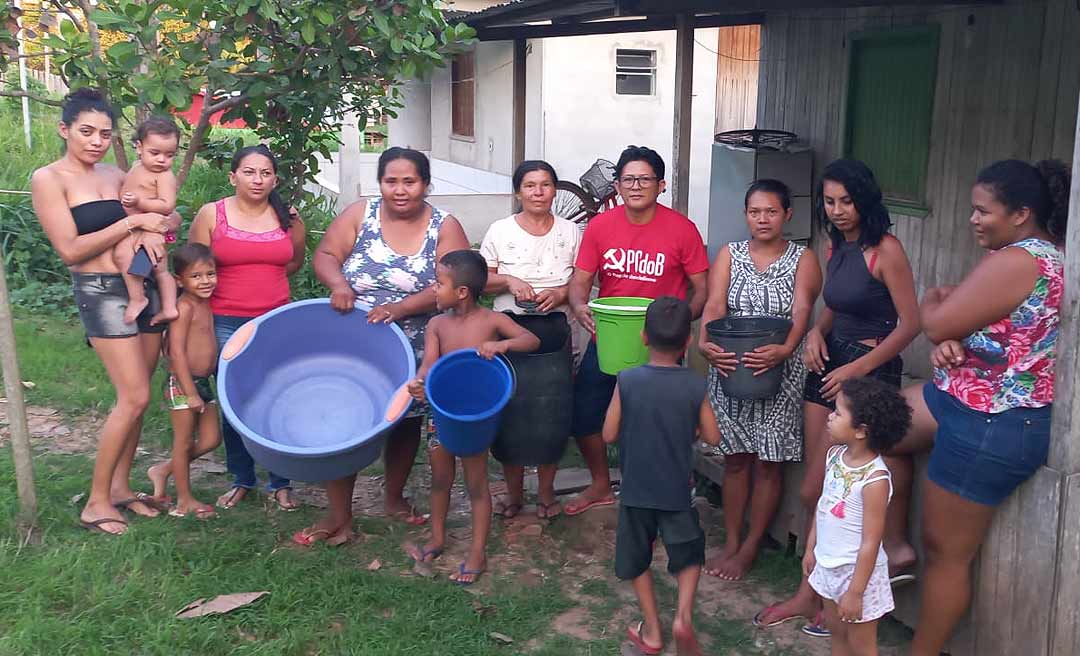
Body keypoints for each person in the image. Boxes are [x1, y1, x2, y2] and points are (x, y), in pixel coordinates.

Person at [887, 159, 1068, 655]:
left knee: (947, 554)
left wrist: (935, 310)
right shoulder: (1019, 255)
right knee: (872, 426)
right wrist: (953, 336)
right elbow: (986, 328)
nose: (973, 219)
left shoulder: (1021, 261)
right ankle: (896, 548)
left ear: (1021, 214)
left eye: (982, 210)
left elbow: (940, 319)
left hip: (996, 422)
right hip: (960, 397)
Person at [756, 160, 920, 633]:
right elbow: (836, 303)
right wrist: (813, 333)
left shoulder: (885, 250)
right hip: (828, 362)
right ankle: (813, 595)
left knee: (832, 488)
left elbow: (911, 323)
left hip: (867, 373)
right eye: (829, 201)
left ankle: (834, 598)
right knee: (819, 488)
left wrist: (856, 369)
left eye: (846, 201)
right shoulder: (837, 244)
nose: (838, 210)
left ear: (864, 199)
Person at [298, 147, 470, 546]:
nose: (400, 190)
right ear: (380, 183)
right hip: (356, 341)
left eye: (409, 181)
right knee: (348, 419)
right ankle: (339, 513)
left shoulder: (445, 225)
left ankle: (393, 496)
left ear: (425, 184)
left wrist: (401, 307)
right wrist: (339, 284)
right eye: (391, 181)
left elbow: (455, 283)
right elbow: (325, 254)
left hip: (417, 343)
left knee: (406, 420)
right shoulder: (361, 214)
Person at [32, 88, 179, 534]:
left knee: (142, 398)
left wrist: (163, 221)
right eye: (86, 131)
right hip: (99, 288)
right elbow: (69, 249)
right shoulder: (50, 178)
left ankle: (119, 488)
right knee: (132, 396)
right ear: (65, 129)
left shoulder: (118, 173)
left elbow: (164, 216)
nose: (96, 140)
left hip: (143, 282)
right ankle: (96, 501)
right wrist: (132, 221)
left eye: (104, 133)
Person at [567, 145, 709, 517]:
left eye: (645, 179)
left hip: (661, 344)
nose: (635, 186)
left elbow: (702, 288)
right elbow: (580, 282)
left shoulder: (682, 229)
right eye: (628, 179)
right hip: (610, 339)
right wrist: (581, 307)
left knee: (654, 423)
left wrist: (679, 324)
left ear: (661, 185)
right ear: (616, 185)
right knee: (584, 412)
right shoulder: (600, 227)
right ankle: (601, 483)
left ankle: (651, 493)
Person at [699, 179, 822, 581]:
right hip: (732, 369)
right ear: (745, 215)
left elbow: (803, 309)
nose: (763, 219)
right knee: (736, 459)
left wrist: (786, 349)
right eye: (755, 212)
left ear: (787, 215)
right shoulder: (729, 255)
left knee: (770, 463)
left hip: (780, 371)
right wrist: (705, 340)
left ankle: (751, 546)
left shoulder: (803, 258)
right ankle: (732, 540)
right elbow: (715, 304)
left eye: (771, 211)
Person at [403, 250, 540, 584]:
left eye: (439, 283)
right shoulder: (437, 324)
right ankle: (437, 536)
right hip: (441, 411)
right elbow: (429, 364)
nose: (433, 289)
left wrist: (502, 347)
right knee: (440, 478)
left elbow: (531, 339)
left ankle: (477, 551)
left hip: (475, 415)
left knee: (476, 484)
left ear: (462, 292)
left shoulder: (492, 321)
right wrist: (421, 382)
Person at [186, 144, 306, 512]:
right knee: (234, 400)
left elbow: (295, 263)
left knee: (277, 396)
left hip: (275, 321)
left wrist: (261, 284)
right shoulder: (212, 214)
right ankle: (242, 478)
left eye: (266, 173)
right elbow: (193, 268)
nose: (258, 179)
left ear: (275, 178)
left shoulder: (289, 217)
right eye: (250, 172)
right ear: (233, 176)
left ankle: (281, 481)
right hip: (224, 319)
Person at [602, 297, 721, 656]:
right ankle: (683, 617)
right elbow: (713, 437)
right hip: (677, 492)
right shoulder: (694, 385)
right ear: (687, 342)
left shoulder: (628, 380)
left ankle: (653, 633)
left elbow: (608, 434)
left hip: (637, 492)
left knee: (636, 559)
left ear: (642, 337)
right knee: (688, 555)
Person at [479, 159, 581, 520]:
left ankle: (547, 495)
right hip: (509, 329)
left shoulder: (571, 232)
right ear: (518, 191)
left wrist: (561, 291)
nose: (538, 192)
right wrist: (508, 282)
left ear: (555, 189)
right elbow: (481, 280)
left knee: (552, 411)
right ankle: (514, 494)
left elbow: (582, 282)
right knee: (512, 411)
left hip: (556, 332)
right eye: (530, 185)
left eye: (546, 185)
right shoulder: (500, 231)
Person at [803, 378, 912, 656]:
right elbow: (823, 505)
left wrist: (856, 591)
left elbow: (871, 542)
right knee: (837, 636)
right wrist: (810, 548)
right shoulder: (834, 456)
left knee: (862, 647)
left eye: (838, 413)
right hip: (828, 566)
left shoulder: (875, 480)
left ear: (861, 431)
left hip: (857, 576)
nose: (830, 416)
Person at [145, 244, 221, 520]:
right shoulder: (184, 307)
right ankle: (184, 500)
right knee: (184, 441)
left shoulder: (207, 303)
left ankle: (164, 469)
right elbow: (175, 352)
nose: (205, 281)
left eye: (210, 274)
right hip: (182, 383)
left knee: (212, 438)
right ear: (180, 280)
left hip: (203, 382)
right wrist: (190, 393)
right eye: (196, 276)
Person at [116, 116, 181, 326]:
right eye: (155, 153)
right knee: (154, 267)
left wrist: (139, 200)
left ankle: (142, 299)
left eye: (169, 155)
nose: (162, 160)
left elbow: (167, 205)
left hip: (153, 227)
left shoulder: (164, 176)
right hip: (136, 226)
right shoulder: (137, 167)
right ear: (139, 147)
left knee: (157, 268)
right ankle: (163, 305)